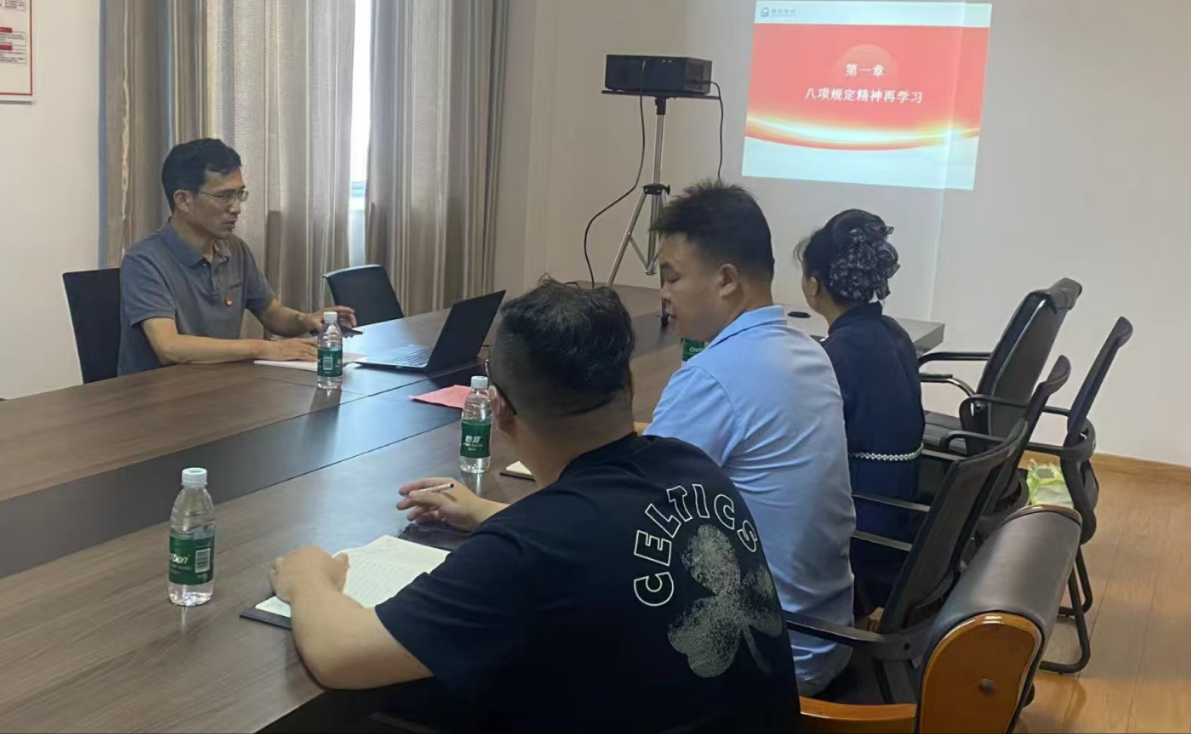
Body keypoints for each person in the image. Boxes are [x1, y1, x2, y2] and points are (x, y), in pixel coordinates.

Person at [269, 279, 798, 733]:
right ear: (627, 382)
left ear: (499, 410)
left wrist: (309, 579)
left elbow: (340, 655)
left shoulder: (531, 547)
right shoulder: (690, 465)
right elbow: (613, 545)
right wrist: (487, 512)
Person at [643, 181, 856, 696]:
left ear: (726, 280)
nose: (664, 294)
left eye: (672, 277)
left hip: (765, 657)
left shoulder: (712, 378)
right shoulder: (810, 353)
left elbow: (622, 516)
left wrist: (488, 512)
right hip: (827, 634)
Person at [117, 138, 356, 376]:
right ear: (183, 200)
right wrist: (266, 348)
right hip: (158, 393)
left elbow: (270, 313)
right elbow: (169, 347)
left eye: (239, 194)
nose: (236, 208)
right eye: (224, 196)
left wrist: (306, 320)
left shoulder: (235, 248)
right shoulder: (144, 260)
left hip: (220, 384)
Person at [798, 209, 924, 611]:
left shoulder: (839, 354)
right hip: (897, 513)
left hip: (861, 531)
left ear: (813, 285)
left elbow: (805, 452)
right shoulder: (892, 333)